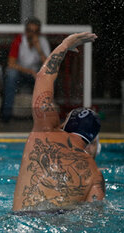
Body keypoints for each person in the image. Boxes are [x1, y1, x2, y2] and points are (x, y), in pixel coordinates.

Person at [12, 32, 105, 212]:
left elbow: (43, 77)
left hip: (18, 222)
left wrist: (64, 45)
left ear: (65, 125)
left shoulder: (45, 130)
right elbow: (94, 215)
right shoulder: (96, 176)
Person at [0, 17, 50, 122]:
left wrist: (39, 49)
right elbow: (11, 64)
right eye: (29, 31)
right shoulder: (19, 40)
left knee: (48, 78)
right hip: (21, 73)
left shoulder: (43, 42)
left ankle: (42, 116)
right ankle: (6, 115)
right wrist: (30, 71)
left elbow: (49, 66)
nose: (32, 34)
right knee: (11, 74)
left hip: (37, 75)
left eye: (35, 31)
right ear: (26, 31)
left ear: (39, 32)